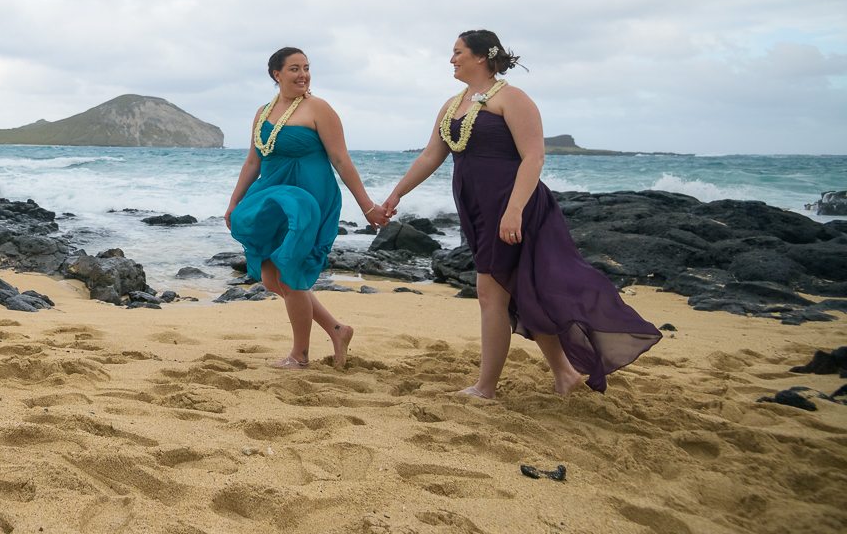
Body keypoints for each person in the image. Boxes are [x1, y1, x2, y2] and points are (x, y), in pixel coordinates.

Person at [380, 30, 660, 397]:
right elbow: (432, 155)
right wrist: (396, 194)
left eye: (457, 52)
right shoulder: (453, 104)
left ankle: (486, 388)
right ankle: (565, 374)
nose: (451, 59)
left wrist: (514, 211)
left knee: (490, 294)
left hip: (511, 205)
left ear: (481, 56)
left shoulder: (512, 98)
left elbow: (534, 156)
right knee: (520, 289)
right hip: (477, 208)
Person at [225, 47, 390, 370]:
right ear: (277, 74)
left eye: (306, 68)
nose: (303, 75)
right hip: (274, 197)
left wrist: (367, 206)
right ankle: (337, 330)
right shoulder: (264, 111)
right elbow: (253, 160)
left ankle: (299, 355)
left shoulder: (318, 108)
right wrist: (234, 201)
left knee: (291, 273)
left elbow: (341, 160)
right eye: (294, 69)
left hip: (309, 198)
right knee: (273, 277)